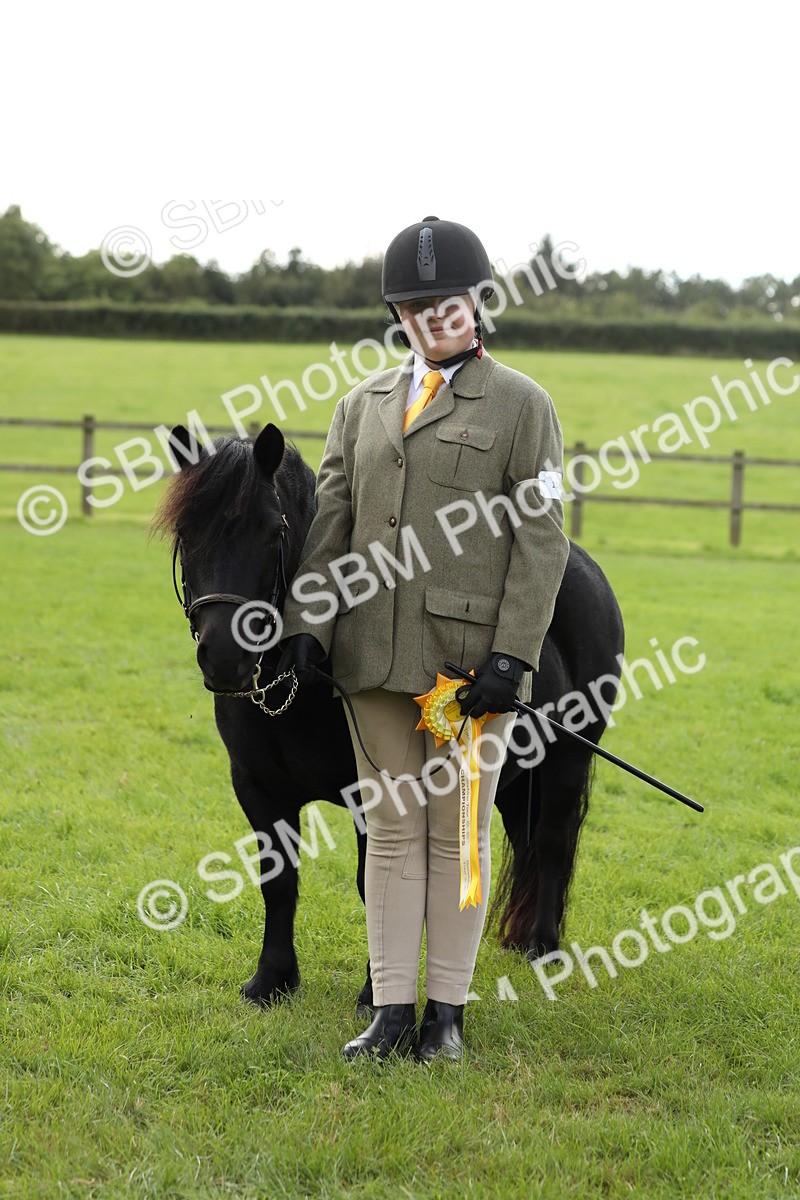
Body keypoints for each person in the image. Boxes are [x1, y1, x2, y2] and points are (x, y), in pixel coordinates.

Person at [278, 216, 570, 1061]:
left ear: (478, 303)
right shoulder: (359, 406)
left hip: (469, 668)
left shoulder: (525, 405)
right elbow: (330, 524)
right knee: (393, 833)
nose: (430, 317)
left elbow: (542, 538)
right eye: (413, 305)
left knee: (457, 836)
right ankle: (392, 1013)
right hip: (370, 660)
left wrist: (513, 658)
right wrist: (307, 626)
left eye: (446, 302)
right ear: (397, 314)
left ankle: (446, 1018)